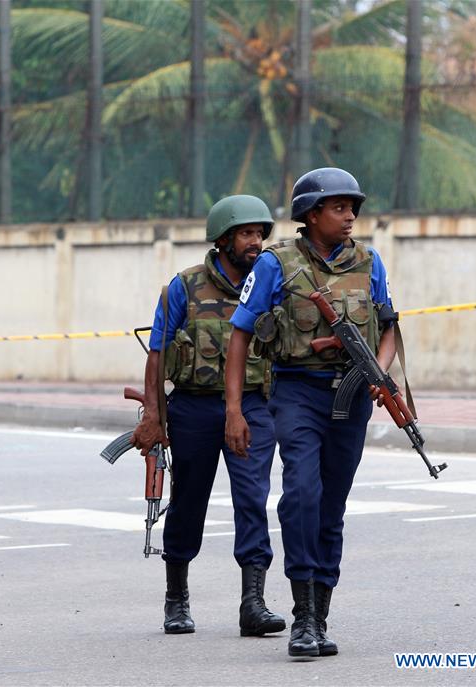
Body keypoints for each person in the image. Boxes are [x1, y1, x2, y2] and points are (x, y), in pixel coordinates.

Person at [224, 168, 397, 658]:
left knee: (332, 503)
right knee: (302, 491)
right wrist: (234, 409)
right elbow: (240, 333)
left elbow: (388, 328)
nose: (349, 217)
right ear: (311, 214)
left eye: (352, 209)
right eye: (339, 208)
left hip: (354, 393)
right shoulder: (277, 265)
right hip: (297, 391)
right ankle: (301, 614)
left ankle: (321, 614)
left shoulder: (370, 262)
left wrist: (379, 374)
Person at [131, 195, 284, 637]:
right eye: (246, 234)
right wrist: (153, 416)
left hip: (253, 403)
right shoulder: (186, 286)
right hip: (195, 406)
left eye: (259, 233)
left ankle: (253, 602)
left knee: (253, 497)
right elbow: (157, 353)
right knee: (190, 502)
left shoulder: (271, 281)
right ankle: (176, 598)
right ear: (223, 240)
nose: (256, 242)